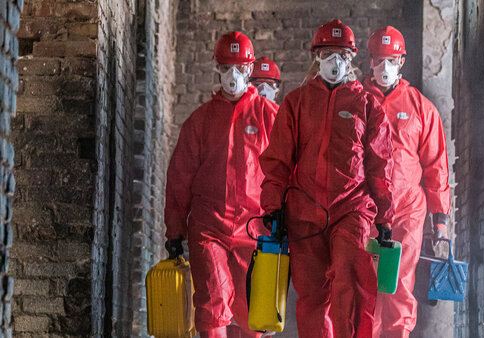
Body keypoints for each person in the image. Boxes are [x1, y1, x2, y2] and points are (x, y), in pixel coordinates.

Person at [259, 19, 395, 338]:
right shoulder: (296, 103)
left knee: (352, 284)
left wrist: (386, 215)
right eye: (327, 52)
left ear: (351, 58)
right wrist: (272, 208)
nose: (335, 60)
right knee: (312, 298)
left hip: (352, 210)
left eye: (342, 53)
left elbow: (380, 164)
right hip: (305, 214)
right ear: (316, 56)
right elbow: (277, 161)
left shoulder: (367, 105)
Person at [164, 31, 279, 338]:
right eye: (227, 67)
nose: (233, 75)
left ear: (250, 69)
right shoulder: (199, 122)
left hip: (255, 228)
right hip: (208, 227)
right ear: (217, 67)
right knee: (212, 306)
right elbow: (180, 178)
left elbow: (286, 170)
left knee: (255, 315)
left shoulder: (270, 118)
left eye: (240, 67)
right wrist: (174, 231)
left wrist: (284, 218)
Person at [363, 26, 452, 338]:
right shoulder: (356, 103)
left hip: (407, 213)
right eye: (378, 60)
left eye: (391, 60)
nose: (384, 67)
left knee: (400, 284)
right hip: (365, 211)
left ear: (401, 61)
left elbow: (435, 166)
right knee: (368, 288)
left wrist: (440, 220)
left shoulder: (420, 108)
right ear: (369, 61)